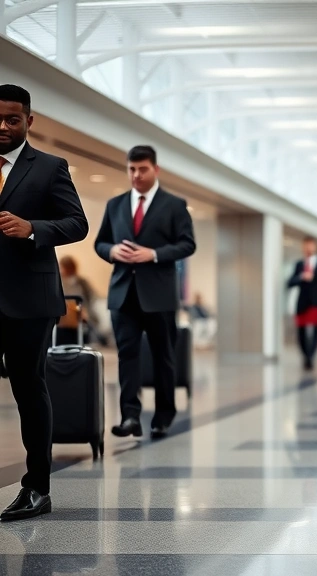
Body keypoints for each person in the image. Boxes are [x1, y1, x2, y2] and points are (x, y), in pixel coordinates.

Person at [0, 84, 88, 521]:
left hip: (30, 299)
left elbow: (77, 223)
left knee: (28, 388)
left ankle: (37, 488)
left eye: (12, 119)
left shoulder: (50, 167)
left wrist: (32, 227)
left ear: (28, 121)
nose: (2, 126)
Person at [95, 145, 196, 440]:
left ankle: (163, 416)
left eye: (142, 169)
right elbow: (100, 243)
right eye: (131, 169)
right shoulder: (115, 205)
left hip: (160, 295)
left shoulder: (174, 205)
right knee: (127, 355)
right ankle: (130, 416)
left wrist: (152, 254)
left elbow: (188, 244)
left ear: (156, 169)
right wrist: (112, 250)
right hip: (123, 293)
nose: (136, 175)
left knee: (163, 355)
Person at [287, 237, 317, 370]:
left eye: (311, 245)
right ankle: (306, 356)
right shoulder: (299, 265)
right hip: (302, 303)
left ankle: (311, 356)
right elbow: (290, 282)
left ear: (315, 247)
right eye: (306, 245)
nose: (308, 248)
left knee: (316, 331)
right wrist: (302, 277)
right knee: (301, 332)